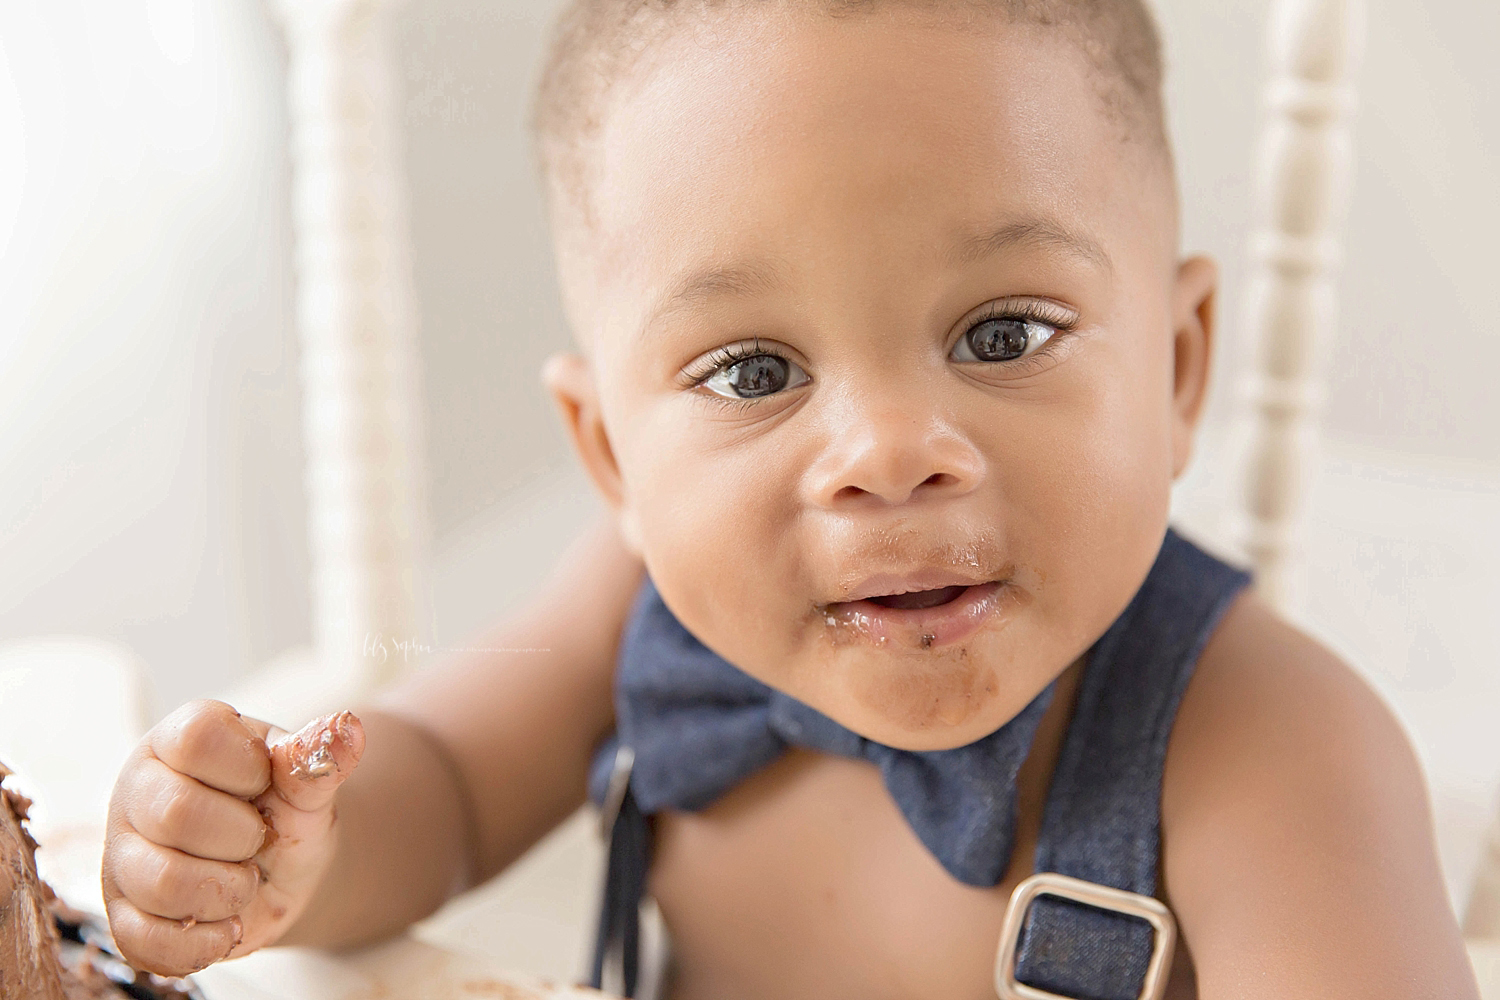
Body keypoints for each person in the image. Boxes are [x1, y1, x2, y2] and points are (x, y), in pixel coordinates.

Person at [99, 2, 1480, 997]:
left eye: (1003, 333)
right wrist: (284, 862)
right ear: (611, 459)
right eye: (753, 368)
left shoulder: (1280, 757)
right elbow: (448, 792)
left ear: (1179, 373)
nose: (889, 451)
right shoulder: (632, 613)